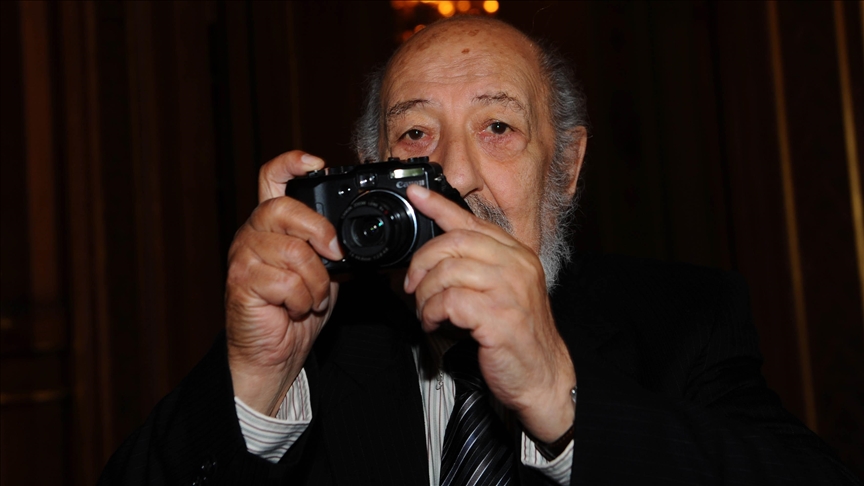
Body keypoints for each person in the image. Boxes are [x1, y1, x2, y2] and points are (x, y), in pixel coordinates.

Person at [100, 16, 860, 486]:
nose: (455, 174)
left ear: (565, 165)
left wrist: (560, 395)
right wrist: (256, 381)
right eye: (415, 134)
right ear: (370, 171)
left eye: (498, 127)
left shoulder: (682, 319)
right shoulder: (313, 350)